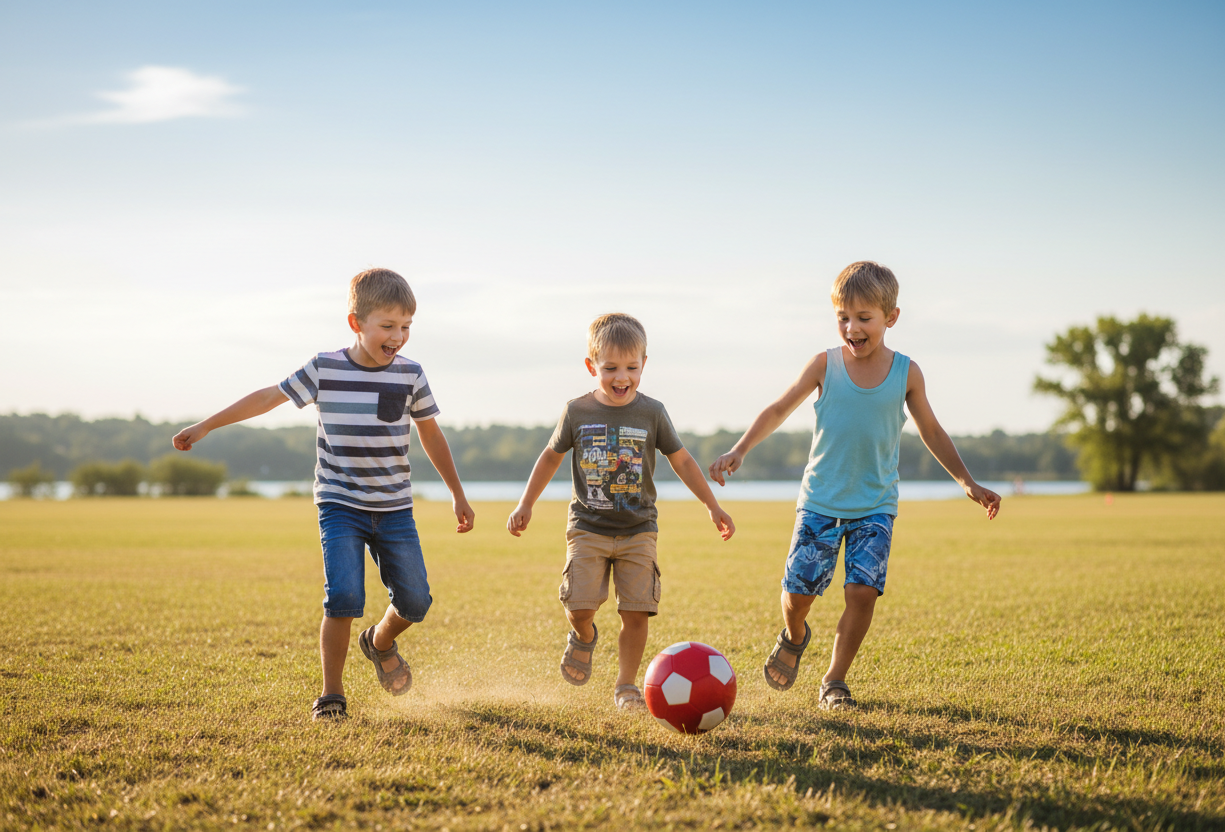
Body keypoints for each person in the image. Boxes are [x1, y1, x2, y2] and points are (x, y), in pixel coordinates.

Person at [171, 268, 474, 720]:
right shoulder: (325, 367)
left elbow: (431, 434)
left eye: (406, 326)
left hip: (393, 507)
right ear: (357, 323)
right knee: (343, 597)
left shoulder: (411, 375)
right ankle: (332, 695)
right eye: (387, 326)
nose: (399, 337)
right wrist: (207, 425)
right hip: (339, 504)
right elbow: (267, 398)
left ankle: (380, 641)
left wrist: (457, 493)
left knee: (415, 601)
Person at [709, 261, 1000, 710]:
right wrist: (740, 450)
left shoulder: (908, 373)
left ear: (891, 318)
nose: (852, 327)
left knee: (862, 592)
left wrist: (967, 481)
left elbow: (933, 432)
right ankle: (794, 634)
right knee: (798, 595)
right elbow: (779, 408)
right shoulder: (825, 364)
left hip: (875, 505)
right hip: (821, 501)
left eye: (864, 317)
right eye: (843, 317)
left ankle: (834, 681)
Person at [506, 313, 735, 711]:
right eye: (610, 368)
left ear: (644, 364)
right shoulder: (576, 411)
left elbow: (681, 461)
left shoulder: (653, 412)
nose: (621, 377)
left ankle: (626, 685)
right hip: (588, 528)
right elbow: (549, 457)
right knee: (579, 605)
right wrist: (526, 503)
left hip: (638, 530)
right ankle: (583, 635)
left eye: (631, 367)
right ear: (591, 365)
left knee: (636, 612)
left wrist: (712, 506)